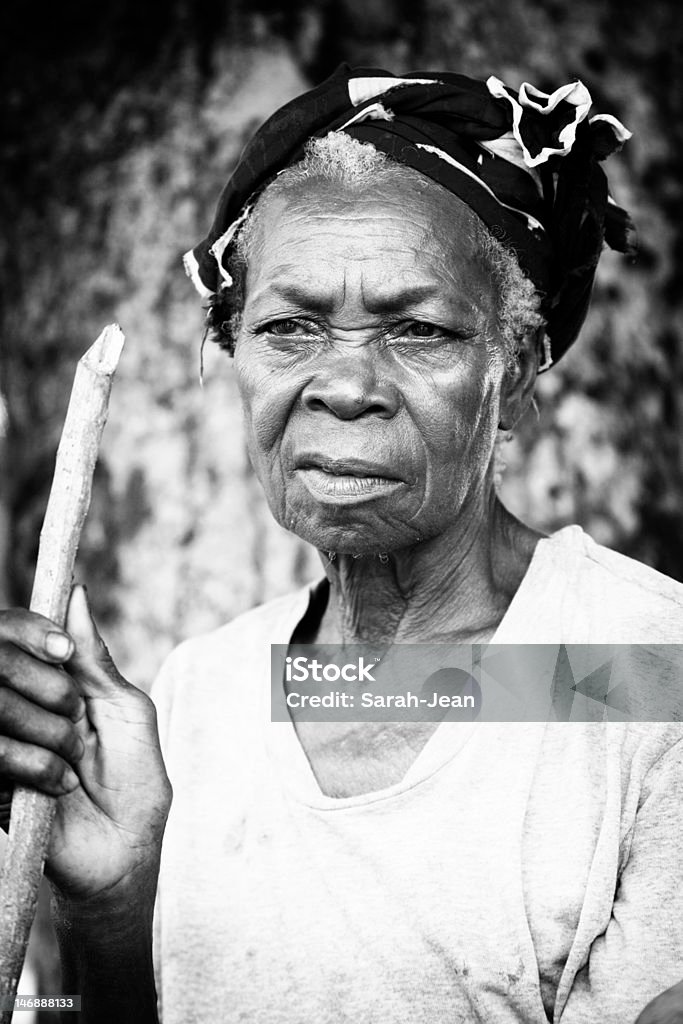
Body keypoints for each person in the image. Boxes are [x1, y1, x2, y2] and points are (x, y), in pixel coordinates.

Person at [1, 64, 682, 1024]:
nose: (346, 384)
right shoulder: (208, 692)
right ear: (235, 355)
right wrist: (116, 903)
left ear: (516, 376)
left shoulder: (650, 671)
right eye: (288, 327)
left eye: (417, 330)